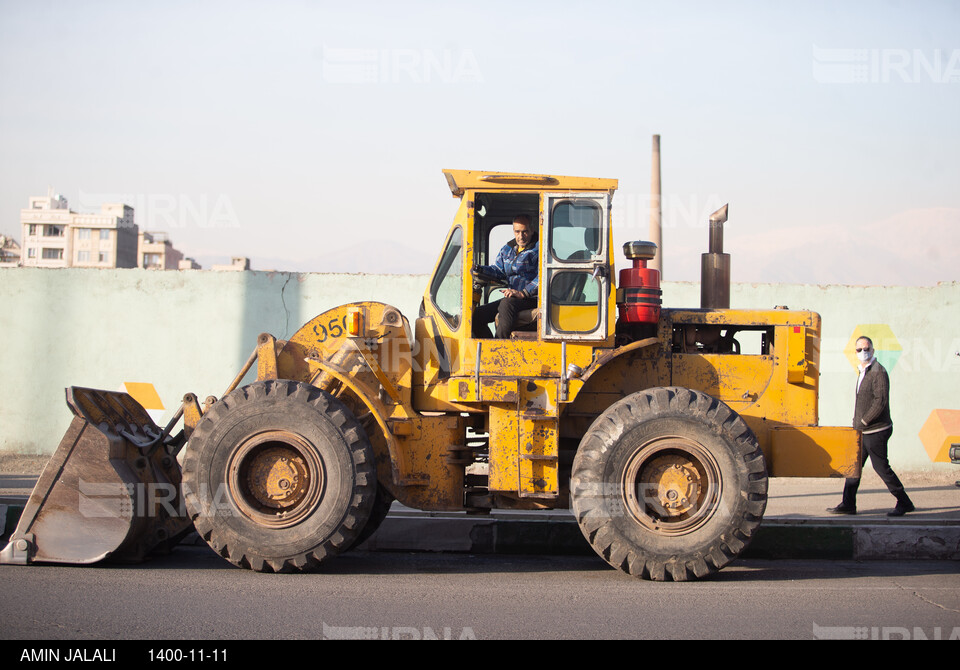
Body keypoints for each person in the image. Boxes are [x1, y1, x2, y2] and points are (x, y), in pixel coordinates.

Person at [828, 335, 915, 517]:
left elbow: (880, 401)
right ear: (855, 352)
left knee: (881, 467)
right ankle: (848, 504)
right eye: (859, 349)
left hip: (876, 430)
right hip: (862, 431)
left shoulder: (878, 372)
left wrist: (864, 421)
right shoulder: (863, 371)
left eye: (866, 349)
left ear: (873, 351)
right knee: (854, 467)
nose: (863, 352)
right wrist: (857, 425)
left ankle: (904, 501)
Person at [472, 214, 538, 339]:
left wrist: (523, 293)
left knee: (506, 304)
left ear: (532, 230)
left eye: (525, 232)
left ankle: (499, 347)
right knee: (477, 316)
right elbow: (498, 270)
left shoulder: (540, 249)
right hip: (514, 297)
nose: (521, 236)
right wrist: (480, 269)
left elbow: (544, 277)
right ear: (513, 231)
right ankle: (487, 347)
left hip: (532, 298)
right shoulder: (507, 249)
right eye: (517, 232)